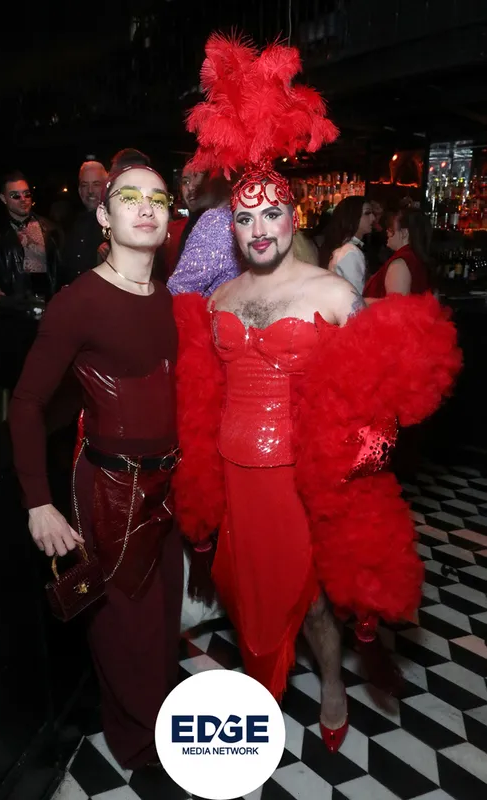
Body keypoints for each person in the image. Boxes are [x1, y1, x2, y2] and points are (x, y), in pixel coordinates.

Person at [172, 33, 461, 754]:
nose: (258, 228)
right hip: (235, 475)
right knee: (244, 592)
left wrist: (366, 458)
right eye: (245, 217)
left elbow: (378, 389)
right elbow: (204, 393)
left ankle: (330, 683)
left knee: (313, 600)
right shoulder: (220, 300)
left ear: (293, 216)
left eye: (270, 213)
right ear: (232, 227)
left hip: (298, 477)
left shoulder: (332, 293)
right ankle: (261, 693)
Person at [8, 165, 183, 770]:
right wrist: (38, 501)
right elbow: (26, 403)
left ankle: (157, 729)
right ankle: (143, 747)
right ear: (105, 217)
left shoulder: (167, 297)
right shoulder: (77, 301)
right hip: (110, 489)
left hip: (168, 485)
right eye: (129, 197)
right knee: (124, 630)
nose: (146, 207)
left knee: (162, 621)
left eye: (158, 197)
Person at [0, 170, 62, 304]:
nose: (23, 199)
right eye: (15, 196)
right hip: (11, 309)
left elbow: (61, 270)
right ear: (3, 199)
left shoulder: (50, 229)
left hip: (48, 308)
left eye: (26, 194)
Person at [167, 171, 241, 296]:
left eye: (198, 177)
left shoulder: (217, 220)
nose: (191, 187)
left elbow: (179, 292)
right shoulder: (182, 225)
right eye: (185, 181)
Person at [364, 207, 432, 301]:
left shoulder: (401, 263)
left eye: (391, 229)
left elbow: (396, 306)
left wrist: (363, 302)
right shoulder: (416, 258)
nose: (387, 232)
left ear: (404, 233)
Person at [61, 161, 108, 284]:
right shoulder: (67, 223)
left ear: (106, 188)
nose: (90, 191)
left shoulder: (116, 224)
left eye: (96, 184)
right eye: (84, 185)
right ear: (79, 190)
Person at [319, 196, 375, 294]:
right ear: (352, 217)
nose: (373, 218)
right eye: (367, 213)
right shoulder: (350, 252)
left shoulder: (348, 248)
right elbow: (356, 295)